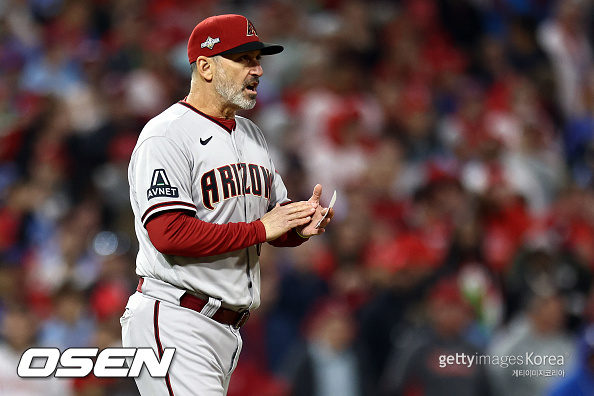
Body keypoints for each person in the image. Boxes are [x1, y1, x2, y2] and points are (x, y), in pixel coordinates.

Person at [120, 14, 334, 396]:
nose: (258, 70)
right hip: (175, 317)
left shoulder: (251, 134)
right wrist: (261, 229)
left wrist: (300, 225)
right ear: (205, 66)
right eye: (245, 59)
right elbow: (168, 232)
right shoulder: (166, 134)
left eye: (258, 59)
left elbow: (272, 219)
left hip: (225, 328)